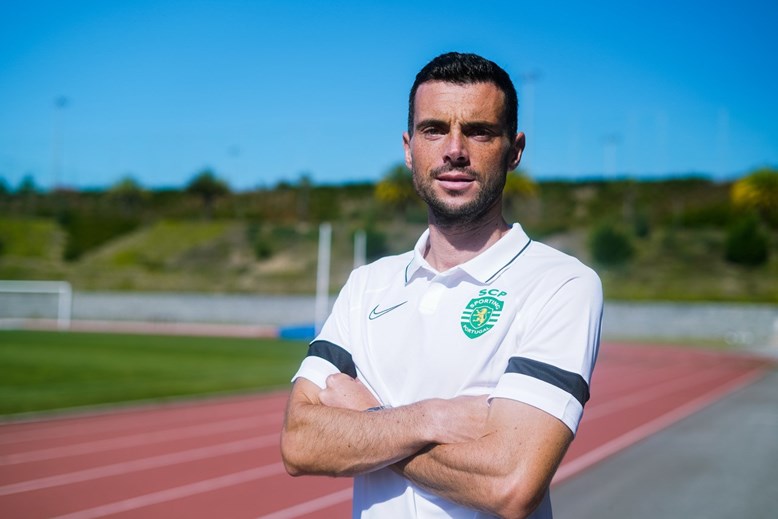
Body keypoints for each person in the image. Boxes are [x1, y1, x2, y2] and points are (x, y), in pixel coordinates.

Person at [280, 52, 603, 519]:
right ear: (409, 148)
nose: (455, 150)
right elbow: (299, 442)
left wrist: (368, 420)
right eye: (434, 129)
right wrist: (432, 418)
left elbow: (509, 484)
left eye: (479, 131)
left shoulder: (560, 284)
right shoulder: (368, 285)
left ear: (515, 150)